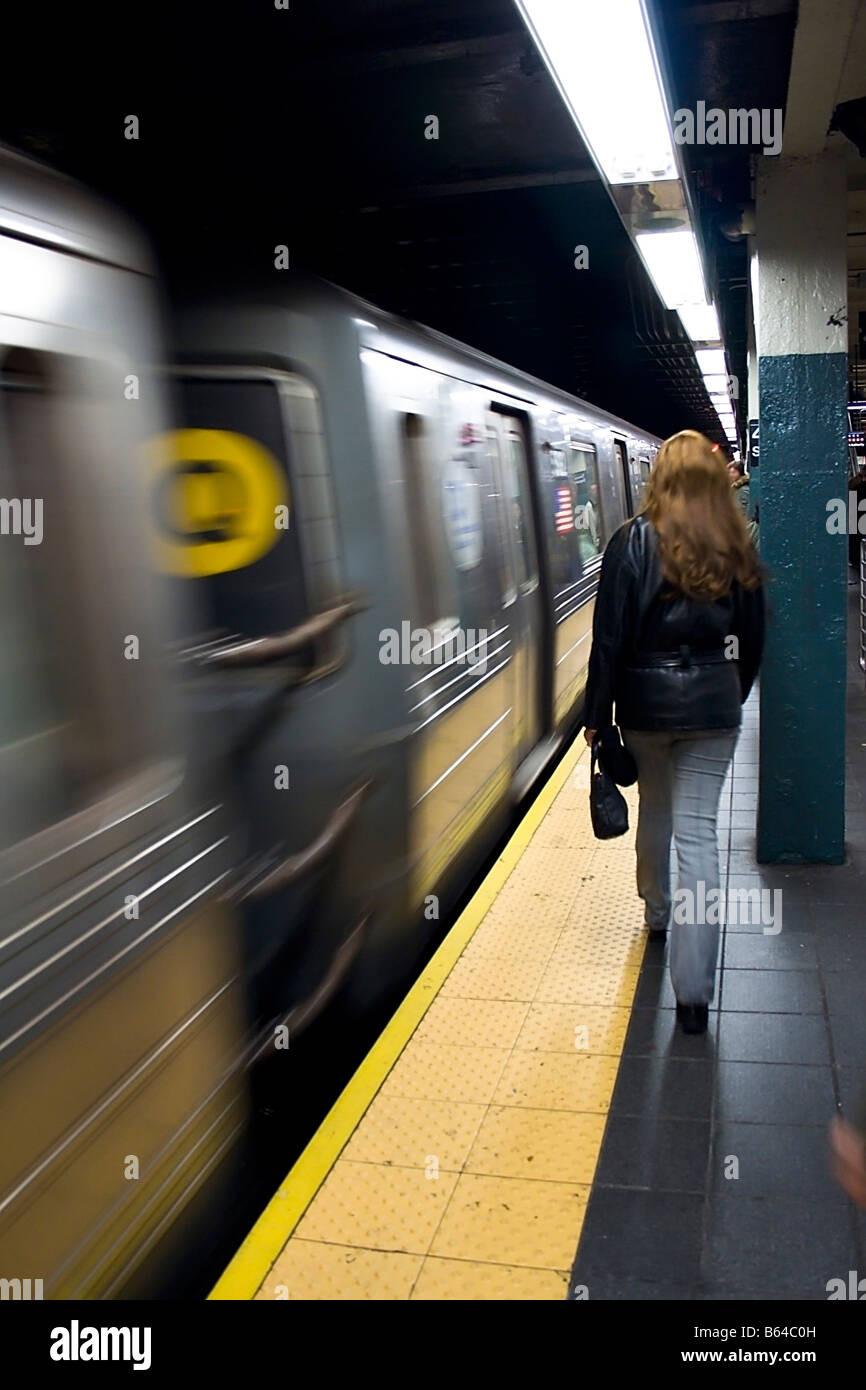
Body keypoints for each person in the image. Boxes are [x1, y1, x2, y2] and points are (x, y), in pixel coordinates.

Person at [583, 430, 766, 1034]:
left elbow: (608, 640)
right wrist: (728, 695)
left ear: (657, 479)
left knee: (656, 813)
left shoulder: (629, 543)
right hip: (713, 708)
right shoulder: (734, 544)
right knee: (700, 839)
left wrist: (598, 720)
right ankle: (694, 994)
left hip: (645, 710)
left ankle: (657, 914)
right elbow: (753, 640)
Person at [727, 459, 758, 546]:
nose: (731, 475)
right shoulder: (737, 488)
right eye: (729, 472)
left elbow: (742, 510)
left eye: (734, 472)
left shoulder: (743, 489)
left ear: (740, 472)